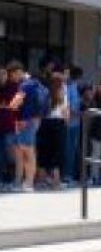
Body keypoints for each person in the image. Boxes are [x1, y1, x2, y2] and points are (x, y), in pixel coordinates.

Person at [7, 62, 47, 193]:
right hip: (33, 120)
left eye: (12, 75)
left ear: (17, 72)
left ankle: (28, 183)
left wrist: (23, 117)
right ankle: (25, 182)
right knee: (26, 151)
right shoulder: (37, 84)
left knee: (27, 152)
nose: (12, 78)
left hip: (24, 121)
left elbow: (14, 104)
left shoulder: (25, 85)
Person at [36, 72, 70, 190]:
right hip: (58, 123)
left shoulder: (46, 92)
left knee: (44, 152)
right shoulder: (63, 93)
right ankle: (56, 182)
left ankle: (41, 180)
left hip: (45, 123)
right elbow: (65, 112)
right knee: (58, 152)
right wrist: (67, 122)